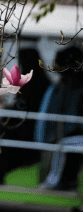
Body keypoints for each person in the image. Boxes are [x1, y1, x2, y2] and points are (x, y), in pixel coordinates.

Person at [0, 46, 51, 184]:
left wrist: (7, 112)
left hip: (27, 129)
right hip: (26, 124)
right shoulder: (41, 80)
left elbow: (24, 106)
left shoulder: (33, 84)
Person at [38, 45, 83, 190]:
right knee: (65, 144)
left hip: (73, 134)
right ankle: (61, 181)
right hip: (67, 133)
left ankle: (55, 181)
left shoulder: (70, 86)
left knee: (66, 144)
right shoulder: (61, 86)